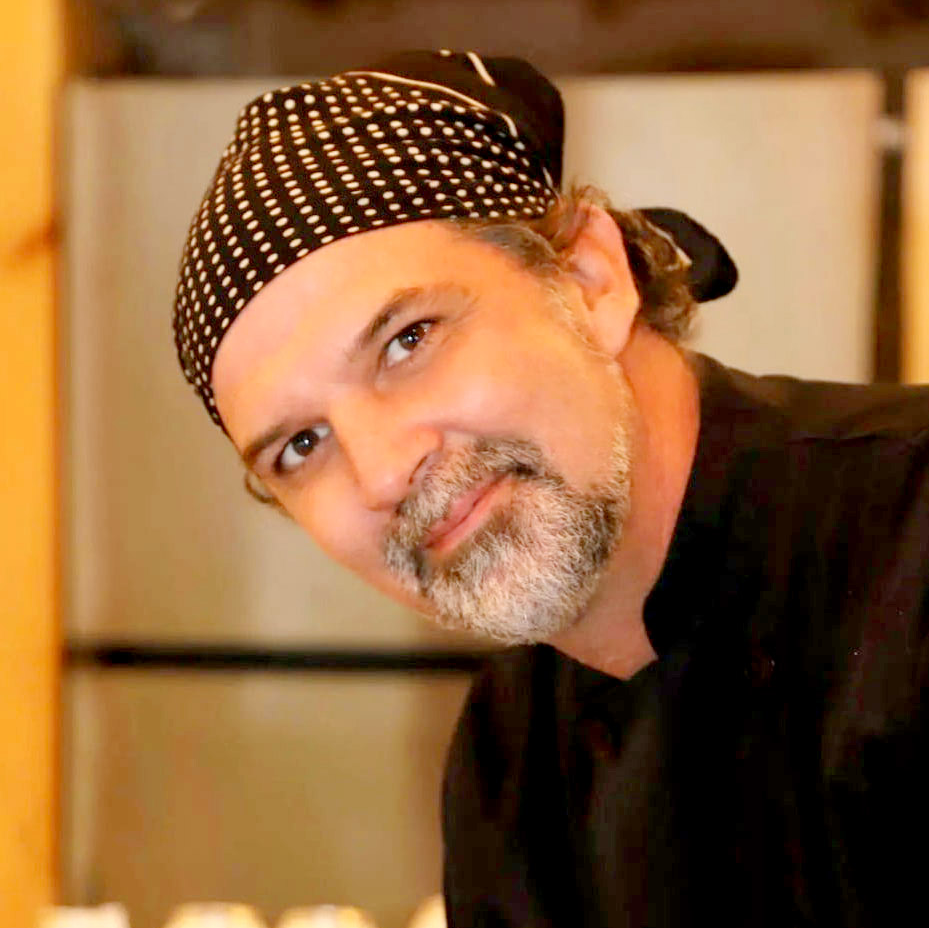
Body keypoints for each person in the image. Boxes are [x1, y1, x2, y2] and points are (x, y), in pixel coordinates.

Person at [173, 50, 929, 927]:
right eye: (301, 445)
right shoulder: (508, 758)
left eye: (408, 340)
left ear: (588, 279)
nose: (381, 472)